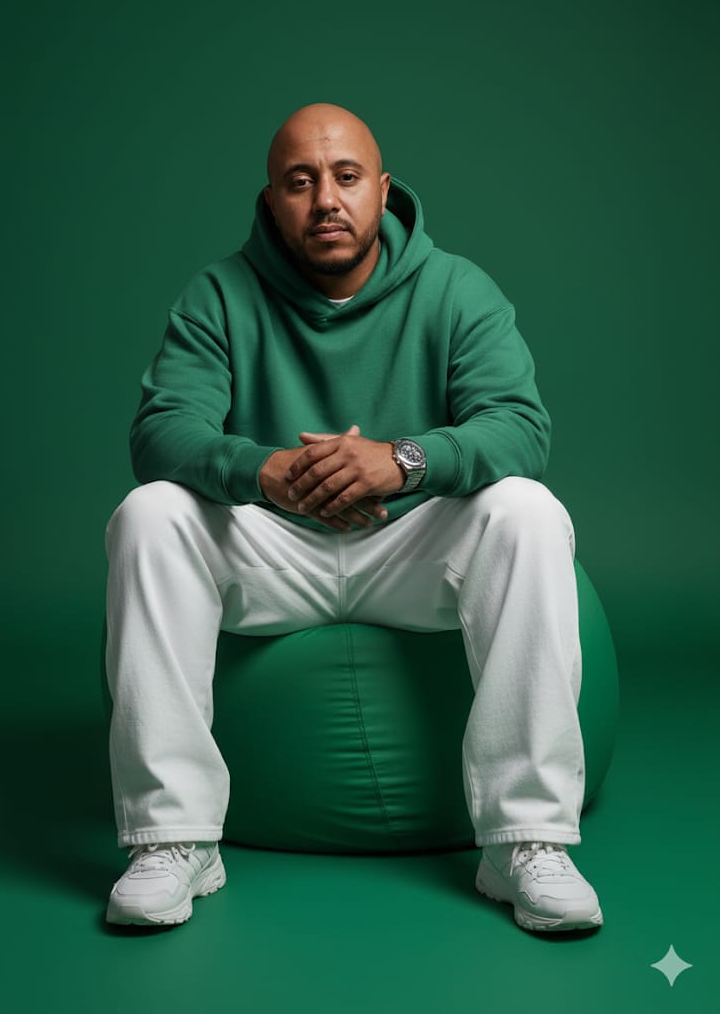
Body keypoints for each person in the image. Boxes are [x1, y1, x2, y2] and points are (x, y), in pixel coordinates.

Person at [104, 102, 603, 933]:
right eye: (299, 182)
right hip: (273, 555)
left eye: (345, 177)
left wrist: (402, 461)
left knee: (526, 510)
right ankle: (173, 838)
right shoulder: (218, 294)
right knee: (149, 514)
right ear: (271, 201)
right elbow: (160, 433)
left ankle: (523, 841)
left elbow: (520, 428)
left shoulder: (456, 289)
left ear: (382, 187)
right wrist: (262, 470)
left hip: (410, 552)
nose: (325, 200)